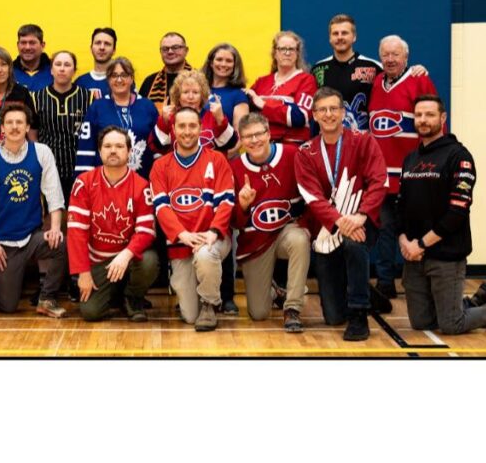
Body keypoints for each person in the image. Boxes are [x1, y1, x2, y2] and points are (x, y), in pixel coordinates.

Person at [396, 95, 486, 334]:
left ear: (442, 118)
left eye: (430, 115)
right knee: (421, 323)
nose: (423, 120)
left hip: (445, 256)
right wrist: (405, 241)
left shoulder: (458, 156)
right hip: (414, 257)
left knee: (451, 324)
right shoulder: (410, 159)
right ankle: (474, 302)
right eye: (419, 115)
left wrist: (422, 243)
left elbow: (457, 212)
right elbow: (400, 207)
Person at [295, 87, 387, 340]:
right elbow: (311, 196)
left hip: (362, 221)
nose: (328, 114)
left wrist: (362, 215)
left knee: (354, 245)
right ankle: (364, 290)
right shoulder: (305, 152)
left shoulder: (363, 140)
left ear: (343, 112)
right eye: (322, 110)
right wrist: (339, 221)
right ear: (314, 115)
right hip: (328, 227)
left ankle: (360, 313)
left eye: (333, 109)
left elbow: (379, 181)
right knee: (334, 317)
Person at [0, 103, 68, 318]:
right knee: (7, 305)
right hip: (3, 243)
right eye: (9, 122)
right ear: (2, 128)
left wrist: (54, 228)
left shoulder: (41, 152)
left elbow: (54, 196)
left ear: (27, 127)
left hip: (33, 237)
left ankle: (47, 298)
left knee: (61, 243)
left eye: (19, 122)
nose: (15, 127)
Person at [150, 107, 236, 331]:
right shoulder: (160, 166)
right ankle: (195, 294)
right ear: (173, 129)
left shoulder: (216, 160)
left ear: (200, 128)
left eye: (192, 126)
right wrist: (183, 235)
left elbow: (226, 201)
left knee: (206, 254)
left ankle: (209, 303)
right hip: (180, 243)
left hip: (212, 237)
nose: (187, 131)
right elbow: (161, 207)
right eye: (181, 126)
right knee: (189, 316)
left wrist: (213, 232)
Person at [368, 34, 440, 300]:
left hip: (413, 175)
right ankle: (386, 281)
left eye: (395, 54)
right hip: (384, 176)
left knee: (418, 228)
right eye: (385, 54)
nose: (389, 59)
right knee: (387, 229)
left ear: (406, 58)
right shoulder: (376, 83)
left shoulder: (419, 80)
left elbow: (433, 124)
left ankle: (421, 283)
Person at [229, 113, 310, 332]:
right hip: (255, 242)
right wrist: (243, 206)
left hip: (285, 232)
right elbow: (234, 223)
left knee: (300, 238)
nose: (254, 140)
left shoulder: (293, 155)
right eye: (248, 136)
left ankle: (292, 308)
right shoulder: (234, 168)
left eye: (258, 134)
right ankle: (276, 291)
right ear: (241, 139)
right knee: (259, 314)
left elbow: (311, 196)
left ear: (269, 134)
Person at [67, 126, 158, 321]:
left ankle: (132, 297)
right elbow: (76, 234)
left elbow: (146, 231)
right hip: (97, 262)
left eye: (119, 146)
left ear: (129, 151)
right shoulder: (84, 183)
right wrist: (83, 273)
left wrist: (126, 254)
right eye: (107, 146)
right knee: (90, 313)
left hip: (127, 260)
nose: (113, 150)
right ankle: (115, 296)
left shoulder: (141, 186)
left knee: (149, 261)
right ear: (99, 151)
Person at [311, 14, 428, 132]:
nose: (340, 37)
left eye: (345, 33)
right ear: (330, 38)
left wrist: (416, 69)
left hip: (363, 142)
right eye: (335, 33)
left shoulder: (374, 67)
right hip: (327, 140)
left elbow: (398, 77)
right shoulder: (318, 69)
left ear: (354, 37)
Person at [75, 57, 159, 179]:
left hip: (142, 182)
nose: (119, 80)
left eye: (124, 75)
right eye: (114, 75)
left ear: (131, 78)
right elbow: (86, 148)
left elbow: (157, 147)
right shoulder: (97, 107)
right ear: (108, 79)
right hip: (105, 183)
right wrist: (83, 183)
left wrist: (158, 180)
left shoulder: (147, 106)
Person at [31, 51, 95, 200]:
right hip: (48, 168)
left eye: (67, 65)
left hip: (79, 167)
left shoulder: (88, 97)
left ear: (74, 70)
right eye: (58, 64)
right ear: (51, 70)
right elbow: (32, 133)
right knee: (50, 216)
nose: (62, 69)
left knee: (77, 214)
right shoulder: (37, 97)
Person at [246, 31, 318, 144]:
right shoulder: (261, 82)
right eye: (282, 49)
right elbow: (248, 114)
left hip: (292, 147)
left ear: (297, 53)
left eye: (291, 49)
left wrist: (263, 105)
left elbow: (299, 117)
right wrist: (286, 105)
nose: (287, 53)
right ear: (275, 53)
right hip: (261, 147)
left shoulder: (306, 80)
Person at [152, 69, 236, 155]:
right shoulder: (170, 117)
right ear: (178, 96)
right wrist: (164, 122)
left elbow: (230, 144)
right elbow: (158, 147)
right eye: (185, 92)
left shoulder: (213, 116)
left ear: (202, 95)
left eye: (195, 92)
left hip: (210, 167)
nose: (190, 97)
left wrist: (220, 119)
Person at [201, 43, 250, 143]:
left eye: (229, 61)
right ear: (211, 63)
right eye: (219, 59)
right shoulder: (197, 89)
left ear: (235, 66)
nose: (223, 64)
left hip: (221, 154)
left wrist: (223, 157)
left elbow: (240, 137)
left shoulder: (238, 95)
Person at [138, 32, 193, 115]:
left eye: (175, 47)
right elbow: (141, 113)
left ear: (186, 50)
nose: (170, 51)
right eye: (165, 49)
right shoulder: (149, 81)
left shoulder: (198, 80)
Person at [75, 27, 118, 99]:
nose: (102, 47)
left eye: (107, 44)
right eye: (98, 43)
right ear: (91, 48)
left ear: (114, 50)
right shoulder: (80, 82)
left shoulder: (122, 81)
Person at [12, 23, 53, 91]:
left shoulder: (55, 70)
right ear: (18, 45)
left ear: (42, 45)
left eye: (32, 43)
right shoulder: (8, 72)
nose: (27, 47)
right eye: (23, 43)